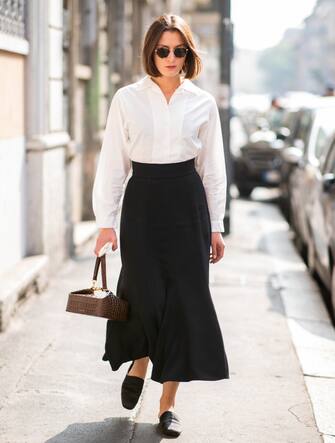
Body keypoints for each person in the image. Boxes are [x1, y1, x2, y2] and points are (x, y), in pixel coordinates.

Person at [92, 13, 230, 438]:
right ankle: (140, 360)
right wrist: (105, 221)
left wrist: (216, 225)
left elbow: (212, 169)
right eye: (163, 50)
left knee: (185, 301)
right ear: (151, 51)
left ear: (189, 53)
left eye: (180, 50)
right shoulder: (126, 98)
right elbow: (113, 160)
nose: (171, 58)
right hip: (144, 202)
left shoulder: (202, 103)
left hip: (187, 204)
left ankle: (168, 403)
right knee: (146, 294)